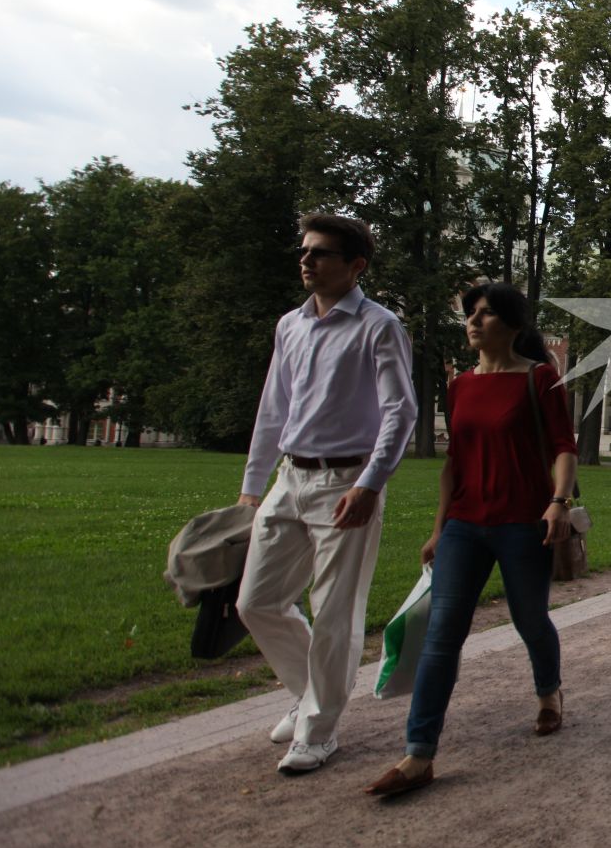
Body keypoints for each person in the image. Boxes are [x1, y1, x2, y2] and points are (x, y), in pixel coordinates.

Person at [366, 282, 577, 798]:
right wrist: (439, 529)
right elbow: (453, 464)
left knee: (530, 619)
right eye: (470, 314)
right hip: (465, 523)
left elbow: (563, 449)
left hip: (521, 523)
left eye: (484, 314)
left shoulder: (541, 379)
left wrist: (558, 502)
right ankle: (419, 754)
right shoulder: (459, 386)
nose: (473, 322)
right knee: (441, 636)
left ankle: (549, 693)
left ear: (511, 324)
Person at [237, 215, 416, 776]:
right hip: (291, 477)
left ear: (355, 265)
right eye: (305, 252)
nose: (307, 261)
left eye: (321, 254)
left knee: (334, 609)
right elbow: (273, 408)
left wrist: (370, 484)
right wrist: (251, 487)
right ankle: (310, 691)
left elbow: (400, 411)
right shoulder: (290, 325)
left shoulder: (379, 326)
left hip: (347, 481)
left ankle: (318, 731)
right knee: (256, 602)